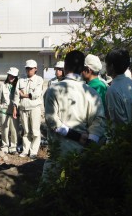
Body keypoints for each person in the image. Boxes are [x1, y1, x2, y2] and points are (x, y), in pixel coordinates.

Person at [43, 50, 106, 181]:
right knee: (77, 191)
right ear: (83, 69)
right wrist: (90, 141)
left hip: (58, 152)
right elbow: (99, 121)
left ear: (65, 67)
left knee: (49, 192)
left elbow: (52, 121)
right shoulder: (92, 93)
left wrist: (76, 136)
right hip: (82, 153)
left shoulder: (53, 90)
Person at [104, 48, 132, 127]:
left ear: (111, 66)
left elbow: (118, 123)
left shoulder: (113, 90)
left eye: (106, 64)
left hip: (124, 137)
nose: (105, 67)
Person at [13, 59, 43, 159]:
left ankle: (33, 151)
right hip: (23, 108)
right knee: (25, 131)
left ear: (35, 69)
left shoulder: (39, 80)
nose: (29, 70)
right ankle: (26, 150)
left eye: (31, 68)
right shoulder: (21, 80)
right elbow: (17, 95)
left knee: (35, 131)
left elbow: (36, 94)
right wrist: (15, 107)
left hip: (34, 108)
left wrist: (24, 95)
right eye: (27, 68)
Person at [0, 67, 20, 154]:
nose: (11, 77)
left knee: (14, 130)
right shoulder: (2, 86)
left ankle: (13, 147)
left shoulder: (18, 86)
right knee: (4, 129)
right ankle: (5, 146)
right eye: (10, 75)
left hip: (15, 111)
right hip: (4, 111)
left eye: (13, 76)